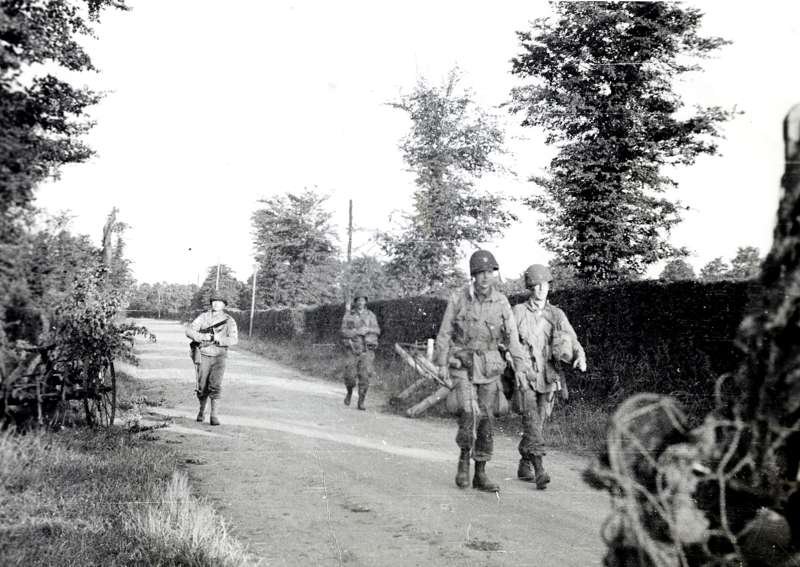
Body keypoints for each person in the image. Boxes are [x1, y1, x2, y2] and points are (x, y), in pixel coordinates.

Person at [434, 250, 530, 492]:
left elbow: (513, 339)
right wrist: (443, 364)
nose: (485, 277)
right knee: (468, 413)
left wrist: (519, 368)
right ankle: (464, 460)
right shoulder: (458, 298)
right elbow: (445, 333)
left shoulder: (501, 303)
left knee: (486, 419)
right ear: (473, 275)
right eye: (480, 273)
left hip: (489, 366)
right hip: (463, 363)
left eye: (489, 272)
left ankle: (481, 472)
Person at [512, 264, 587, 489]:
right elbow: (506, 338)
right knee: (532, 421)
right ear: (530, 288)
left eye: (545, 285)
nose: (542, 289)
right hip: (526, 377)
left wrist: (580, 356)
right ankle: (540, 469)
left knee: (539, 422)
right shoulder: (518, 312)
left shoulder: (556, 314)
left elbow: (572, 338)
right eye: (536, 286)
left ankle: (524, 461)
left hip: (549, 377)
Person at [186, 293, 238, 425]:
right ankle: (202, 410)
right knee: (202, 386)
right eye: (214, 301)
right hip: (203, 355)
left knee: (215, 385)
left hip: (219, 356)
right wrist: (202, 337)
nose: (216, 304)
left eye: (219, 302)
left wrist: (218, 339)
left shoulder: (229, 320)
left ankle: (214, 416)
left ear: (224, 305)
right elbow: (189, 331)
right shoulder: (203, 317)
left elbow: (234, 339)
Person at [340, 290, 380, 410]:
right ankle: (349, 392)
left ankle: (361, 401)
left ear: (366, 302)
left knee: (365, 376)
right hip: (352, 348)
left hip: (367, 350)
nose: (361, 302)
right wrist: (356, 332)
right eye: (358, 300)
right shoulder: (349, 315)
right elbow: (343, 331)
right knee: (349, 376)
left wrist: (368, 329)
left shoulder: (371, 315)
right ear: (355, 302)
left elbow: (378, 330)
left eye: (363, 300)